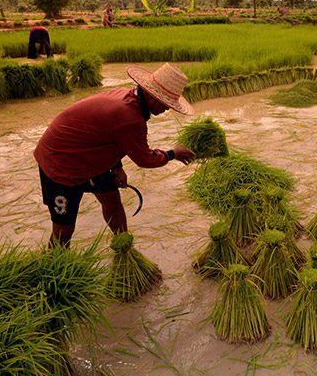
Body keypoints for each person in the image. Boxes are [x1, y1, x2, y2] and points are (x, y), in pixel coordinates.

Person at [34, 63, 197, 247]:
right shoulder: (131, 118)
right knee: (64, 228)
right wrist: (172, 153)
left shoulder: (128, 97)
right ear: (152, 96)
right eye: (166, 103)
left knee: (112, 201)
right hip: (60, 160)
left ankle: (124, 248)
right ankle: (53, 269)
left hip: (89, 152)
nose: (168, 109)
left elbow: (106, 134)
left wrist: (117, 167)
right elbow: (145, 159)